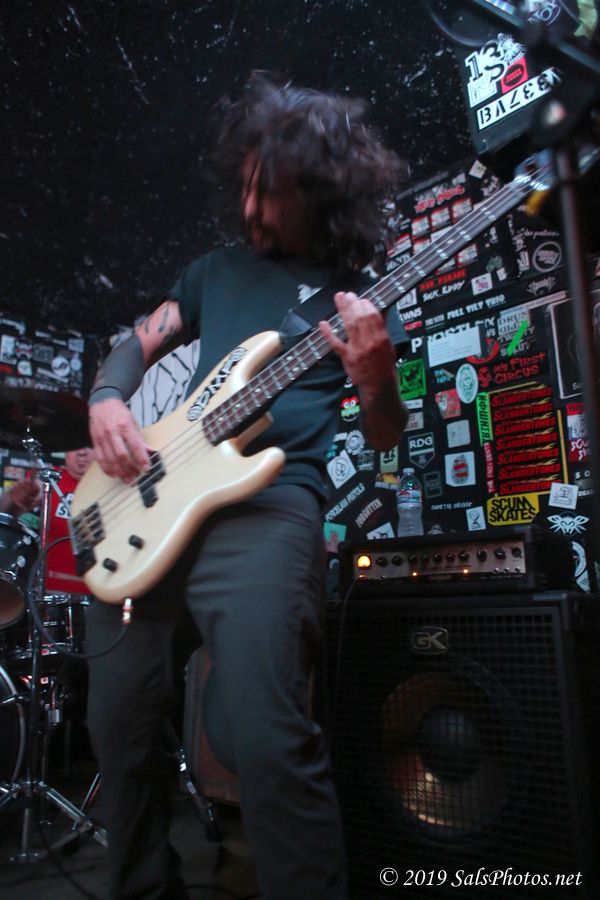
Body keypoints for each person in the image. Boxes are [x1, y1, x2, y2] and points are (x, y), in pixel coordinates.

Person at [85, 72, 409, 900]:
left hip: (270, 506)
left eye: (273, 193)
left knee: (266, 739)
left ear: (324, 195)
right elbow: (138, 341)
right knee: (117, 726)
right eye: (246, 186)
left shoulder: (356, 297)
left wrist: (376, 378)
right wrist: (109, 398)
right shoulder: (213, 271)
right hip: (159, 498)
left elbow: (384, 435)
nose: (251, 207)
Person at [45, 447, 95, 594]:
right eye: (75, 446)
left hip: (97, 595)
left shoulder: (111, 484)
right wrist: (14, 498)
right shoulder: (48, 480)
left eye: (89, 446)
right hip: (49, 591)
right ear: (65, 450)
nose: (82, 452)